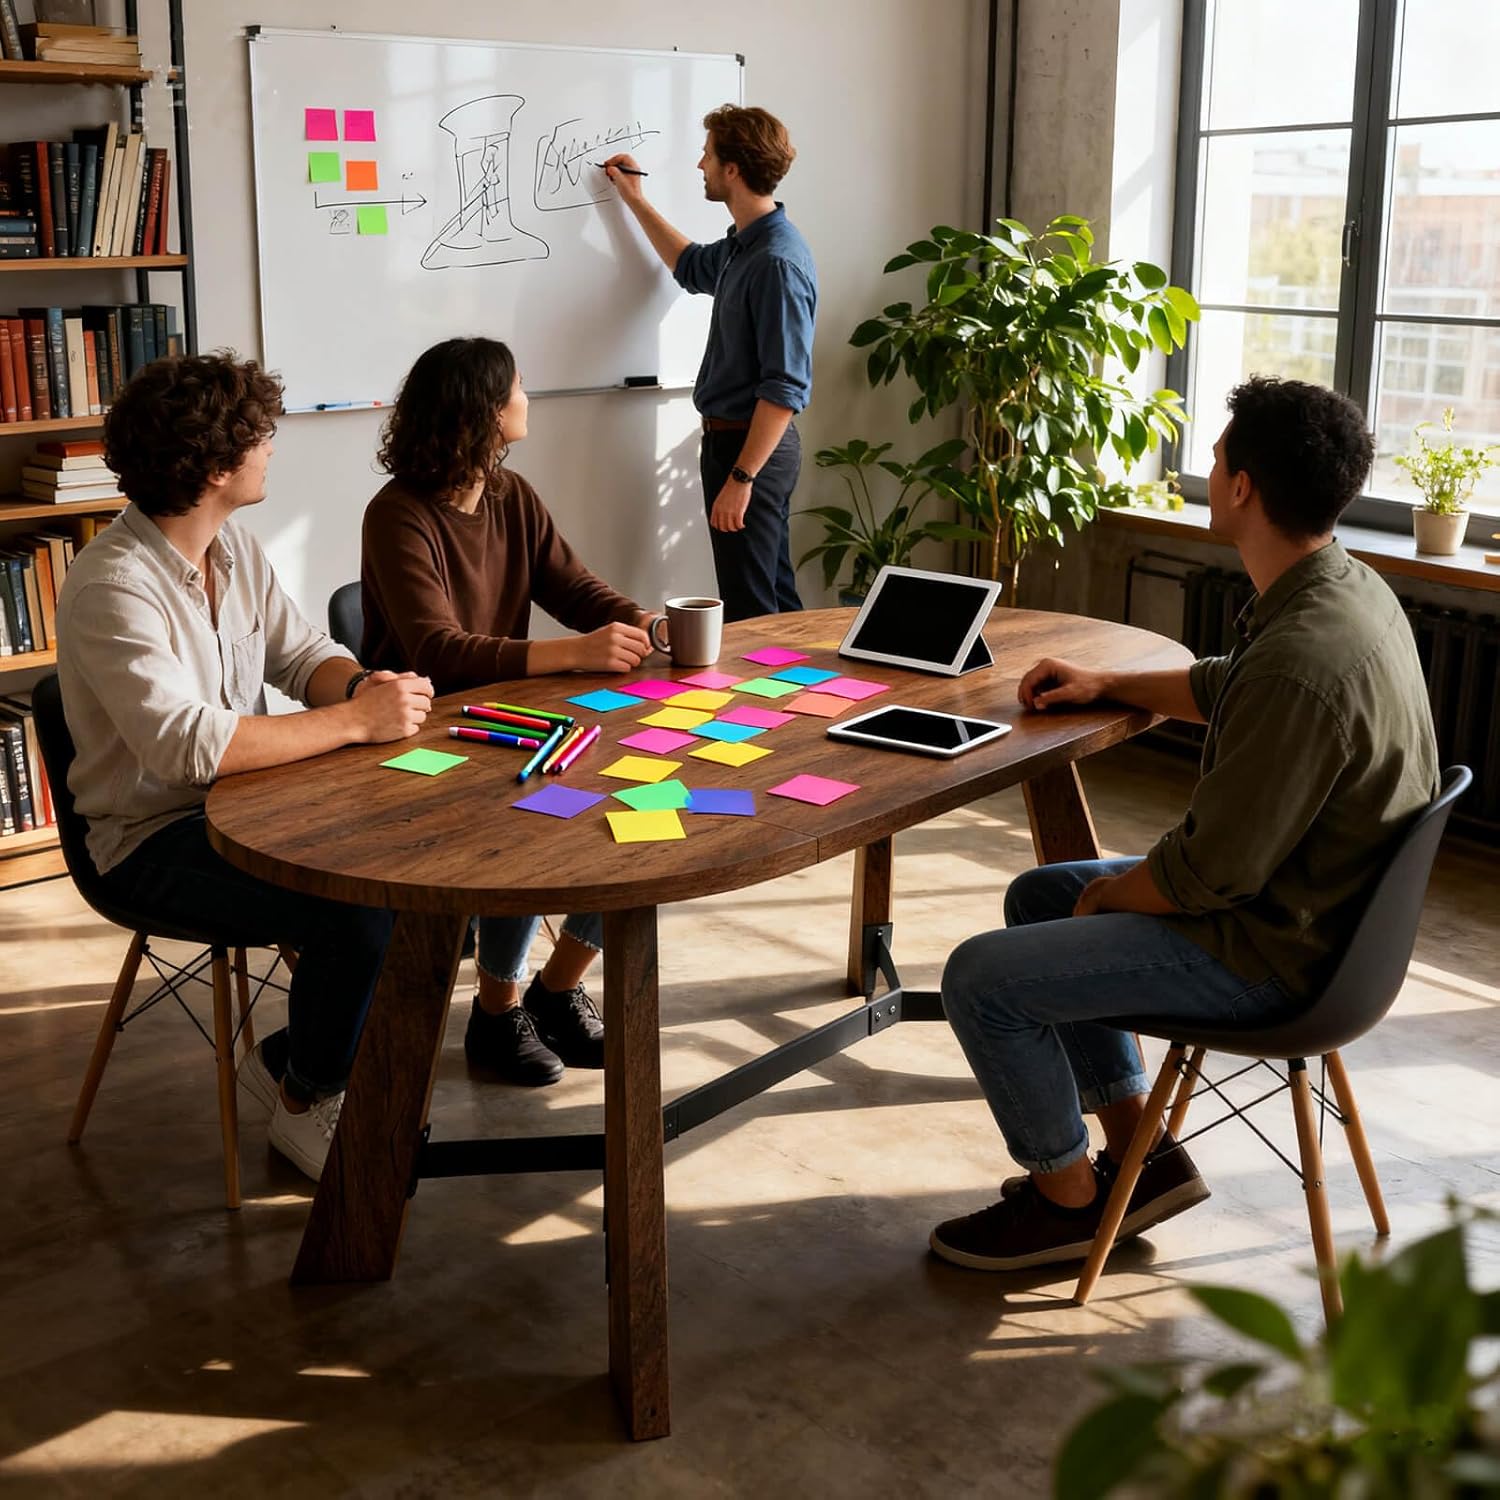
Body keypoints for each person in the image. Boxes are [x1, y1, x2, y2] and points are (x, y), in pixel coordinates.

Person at [930, 377, 1440, 1272]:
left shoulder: (1299, 661)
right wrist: (1111, 683)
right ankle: (1139, 1156)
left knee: (984, 976)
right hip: (1330, 919)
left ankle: (1067, 1204)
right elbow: (1232, 684)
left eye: (1214, 458)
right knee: (1038, 890)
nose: (1206, 471)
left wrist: (1107, 899)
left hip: (1278, 954)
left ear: (1243, 488)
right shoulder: (1345, 590)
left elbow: (1208, 876)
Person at [55, 352, 434, 1183]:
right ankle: (308, 1105)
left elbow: (301, 655)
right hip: (152, 838)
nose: (272, 449)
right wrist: (352, 723)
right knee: (357, 908)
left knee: (422, 863)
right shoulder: (111, 587)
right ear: (219, 467)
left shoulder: (235, 549)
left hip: (253, 806)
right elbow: (186, 745)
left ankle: (302, 1056)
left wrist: (369, 686)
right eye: (261, 437)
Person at [361, 336, 662, 1087]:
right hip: (427, 731)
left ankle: (556, 990)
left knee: (647, 800)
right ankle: (494, 1014)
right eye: (519, 388)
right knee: (534, 821)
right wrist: (572, 655)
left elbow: (576, 590)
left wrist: (648, 625)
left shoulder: (510, 493)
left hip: (516, 717)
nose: (528, 398)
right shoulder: (397, 514)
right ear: (487, 413)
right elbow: (436, 648)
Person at [604, 104, 816, 623]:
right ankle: (812, 695)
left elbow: (784, 388)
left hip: (751, 448)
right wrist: (635, 199)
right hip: (731, 443)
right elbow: (691, 266)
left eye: (707, 155)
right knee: (772, 596)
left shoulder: (775, 262)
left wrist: (742, 477)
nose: (700, 165)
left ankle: (767, 703)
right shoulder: (745, 246)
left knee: (750, 608)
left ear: (733, 170)